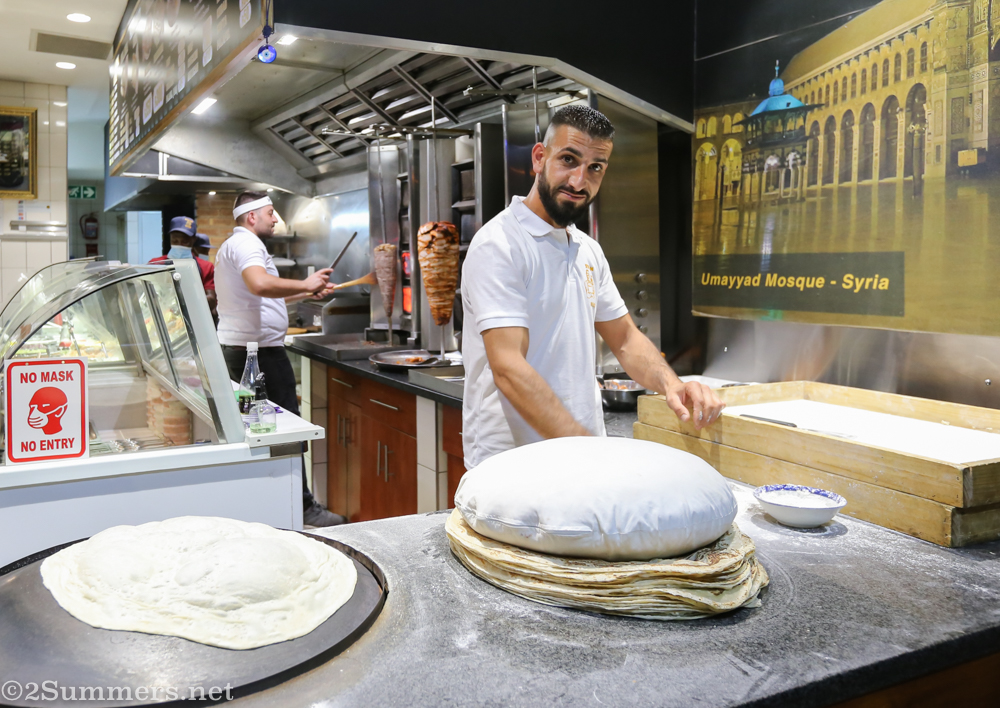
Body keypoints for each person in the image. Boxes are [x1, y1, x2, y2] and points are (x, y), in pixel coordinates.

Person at [461, 105, 726, 469]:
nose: (578, 181)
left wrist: (672, 385)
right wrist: (584, 448)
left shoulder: (587, 249)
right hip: (513, 465)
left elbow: (625, 339)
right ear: (539, 158)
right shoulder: (500, 244)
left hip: (579, 457)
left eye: (595, 167)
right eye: (568, 160)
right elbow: (508, 367)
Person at [215, 191, 344, 527]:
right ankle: (300, 507)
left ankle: (267, 507)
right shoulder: (247, 244)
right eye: (271, 213)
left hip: (245, 352)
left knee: (258, 431)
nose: (276, 219)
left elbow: (258, 297)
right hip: (257, 358)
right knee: (283, 432)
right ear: (252, 216)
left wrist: (306, 291)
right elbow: (259, 285)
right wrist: (304, 282)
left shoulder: (234, 245)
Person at [149, 216, 217, 316]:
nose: (179, 245)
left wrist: (183, 302)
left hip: (195, 318)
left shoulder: (206, 267)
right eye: (175, 241)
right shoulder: (156, 264)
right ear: (170, 238)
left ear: (193, 240)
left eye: (184, 242)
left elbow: (211, 299)